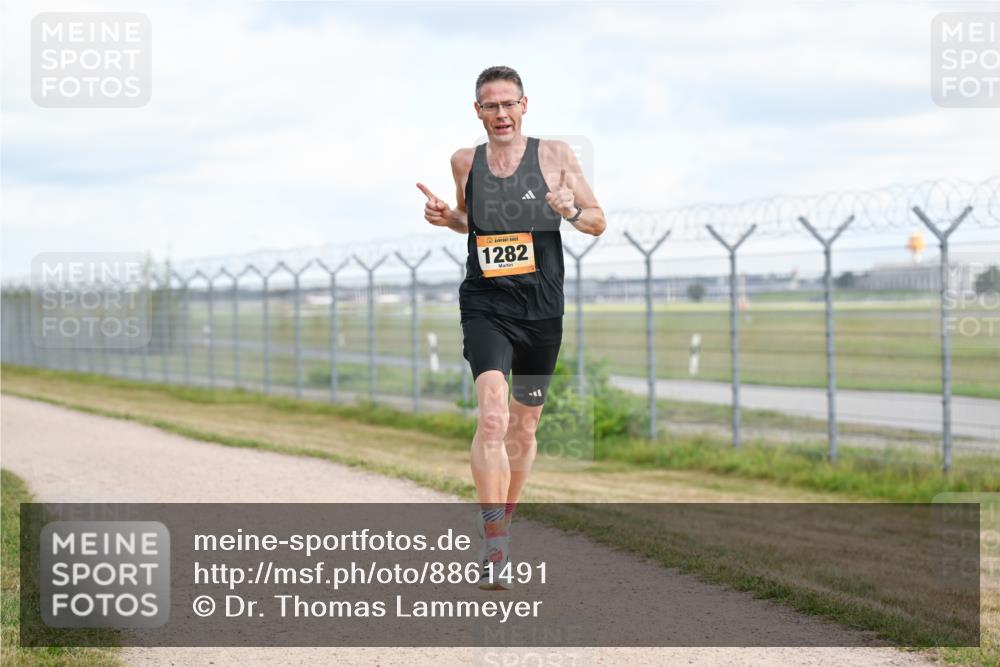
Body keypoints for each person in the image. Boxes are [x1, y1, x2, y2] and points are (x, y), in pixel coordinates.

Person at [416, 66, 605, 589]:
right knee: (494, 419)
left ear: (525, 106)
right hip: (486, 305)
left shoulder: (556, 156)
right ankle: (494, 542)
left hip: (542, 310)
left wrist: (570, 211)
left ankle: (505, 520)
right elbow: (467, 221)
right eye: (489, 106)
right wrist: (445, 217)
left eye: (508, 104)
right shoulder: (464, 161)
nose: (500, 114)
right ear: (477, 111)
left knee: (524, 428)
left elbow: (597, 219)